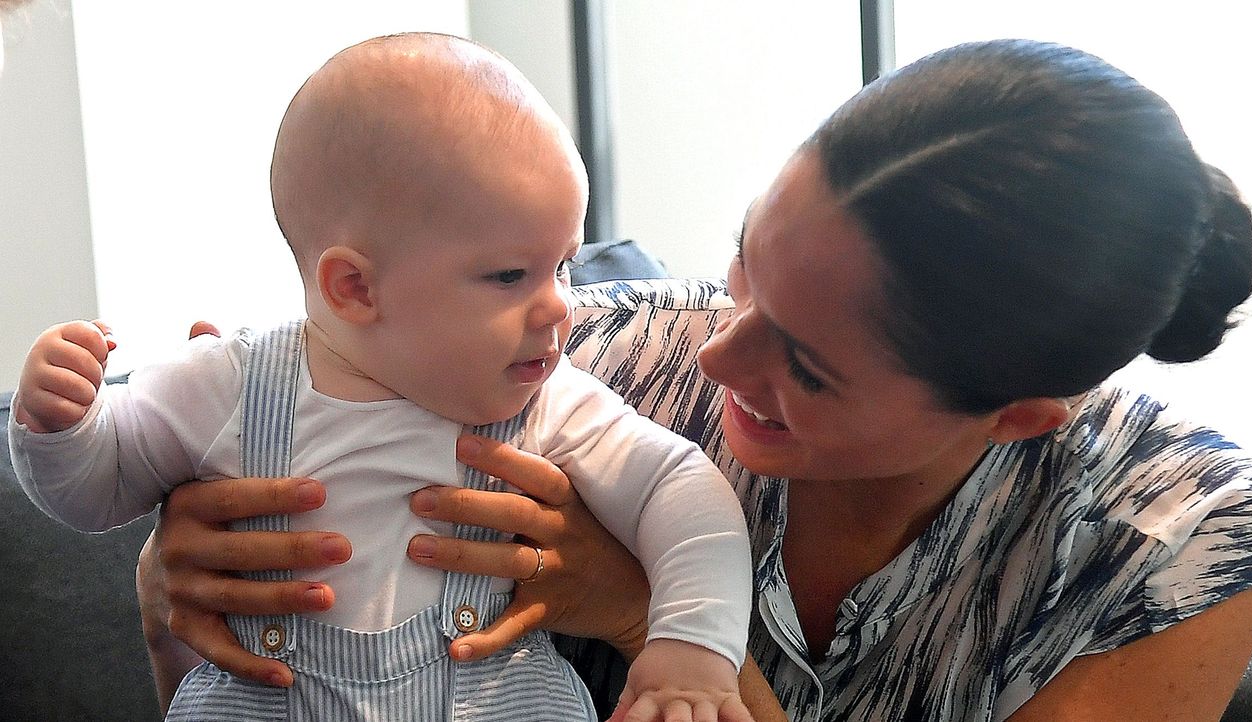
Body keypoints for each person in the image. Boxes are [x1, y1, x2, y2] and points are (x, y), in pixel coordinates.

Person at [136, 39, 1252, 721]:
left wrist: (644, 608)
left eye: (809, 366)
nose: (716, 355)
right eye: (744, 270)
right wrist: (184, 565)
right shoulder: (573, 355)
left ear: (1017, 413)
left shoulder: (1175, 540)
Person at [8, 32, 755, 722]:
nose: (560, 302)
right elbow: (94, 495)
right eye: (509, 275)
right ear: (355, 289)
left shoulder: (547, 399)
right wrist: (61, 426)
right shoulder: (225, 385)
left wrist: (692, 645)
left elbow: (681, 491)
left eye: (562, 263)